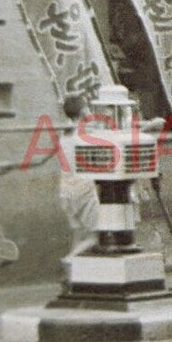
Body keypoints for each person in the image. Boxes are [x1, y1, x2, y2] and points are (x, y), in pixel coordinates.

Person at [57, 95, 99, 256]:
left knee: (78, 234)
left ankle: (71, 274)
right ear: (83, 111)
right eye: (87, 107)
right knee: (96, 236)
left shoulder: (64, 136)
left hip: (65, 190)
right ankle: (70, 260)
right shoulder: (85, 134)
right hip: (83, 188)